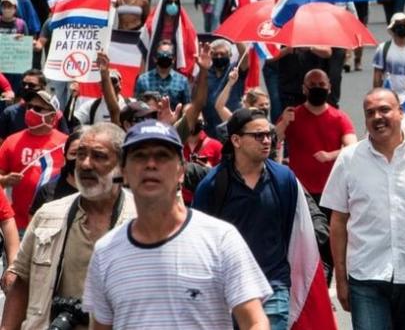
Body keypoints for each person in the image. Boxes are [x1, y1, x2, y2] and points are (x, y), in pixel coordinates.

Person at [81, 120, 271, 328]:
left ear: (181, 171)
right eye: (139, 156)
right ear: (124, 172)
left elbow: (255, 321)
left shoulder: (221, 239)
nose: (150, 164)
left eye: (162, 156)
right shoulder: (105, 251)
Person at [322, 89, 405, 329]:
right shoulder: (348, 159)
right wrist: (341, 279)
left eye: (384, 109)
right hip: (366, 279)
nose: (377, 117)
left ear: (400, 112)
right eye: (370, 112)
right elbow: (338, 221)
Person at [193, 108, 330, 329]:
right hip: (226, 295)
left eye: (269, 135)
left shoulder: (284, 179)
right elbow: (198, 240)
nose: (267, 141)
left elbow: (295, 227)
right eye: (258, 136)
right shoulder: (212, 186)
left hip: (273, 289)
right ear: (236, 140)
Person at [1, 124, 134, 330]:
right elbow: (21, 285)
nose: (85, 164)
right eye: (81, 155)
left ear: (123, 166)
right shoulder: (47, 215)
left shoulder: (142, 222)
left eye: (98, 156)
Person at [276, 69, 357, 199]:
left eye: (321, 84)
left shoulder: (339, 118)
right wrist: (284, 123)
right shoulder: (292, 116)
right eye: (312, 85)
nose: (317, 88)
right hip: (299, 188)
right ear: (304, 89)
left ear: (329, 87)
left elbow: (353, 147)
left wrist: (330, 155)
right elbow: (274, 141)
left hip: (331, 189)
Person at [0, 89, 66, 230]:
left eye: (37, 108)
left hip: (55, 225)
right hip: (19, 225)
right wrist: (4, 180)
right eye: (28, 107)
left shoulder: (66, 144)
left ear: (52, 116)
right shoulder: (11, 141)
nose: (30, 111)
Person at [133, 40, 191, 110]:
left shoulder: (183, 81)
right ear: (155, 58)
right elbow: (136, 105)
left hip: (174, 120)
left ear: (174, 59)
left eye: (168, 54)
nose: (164, 56)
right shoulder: (142, 80)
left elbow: (187, 107)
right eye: (161, 54)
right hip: (149, 120)